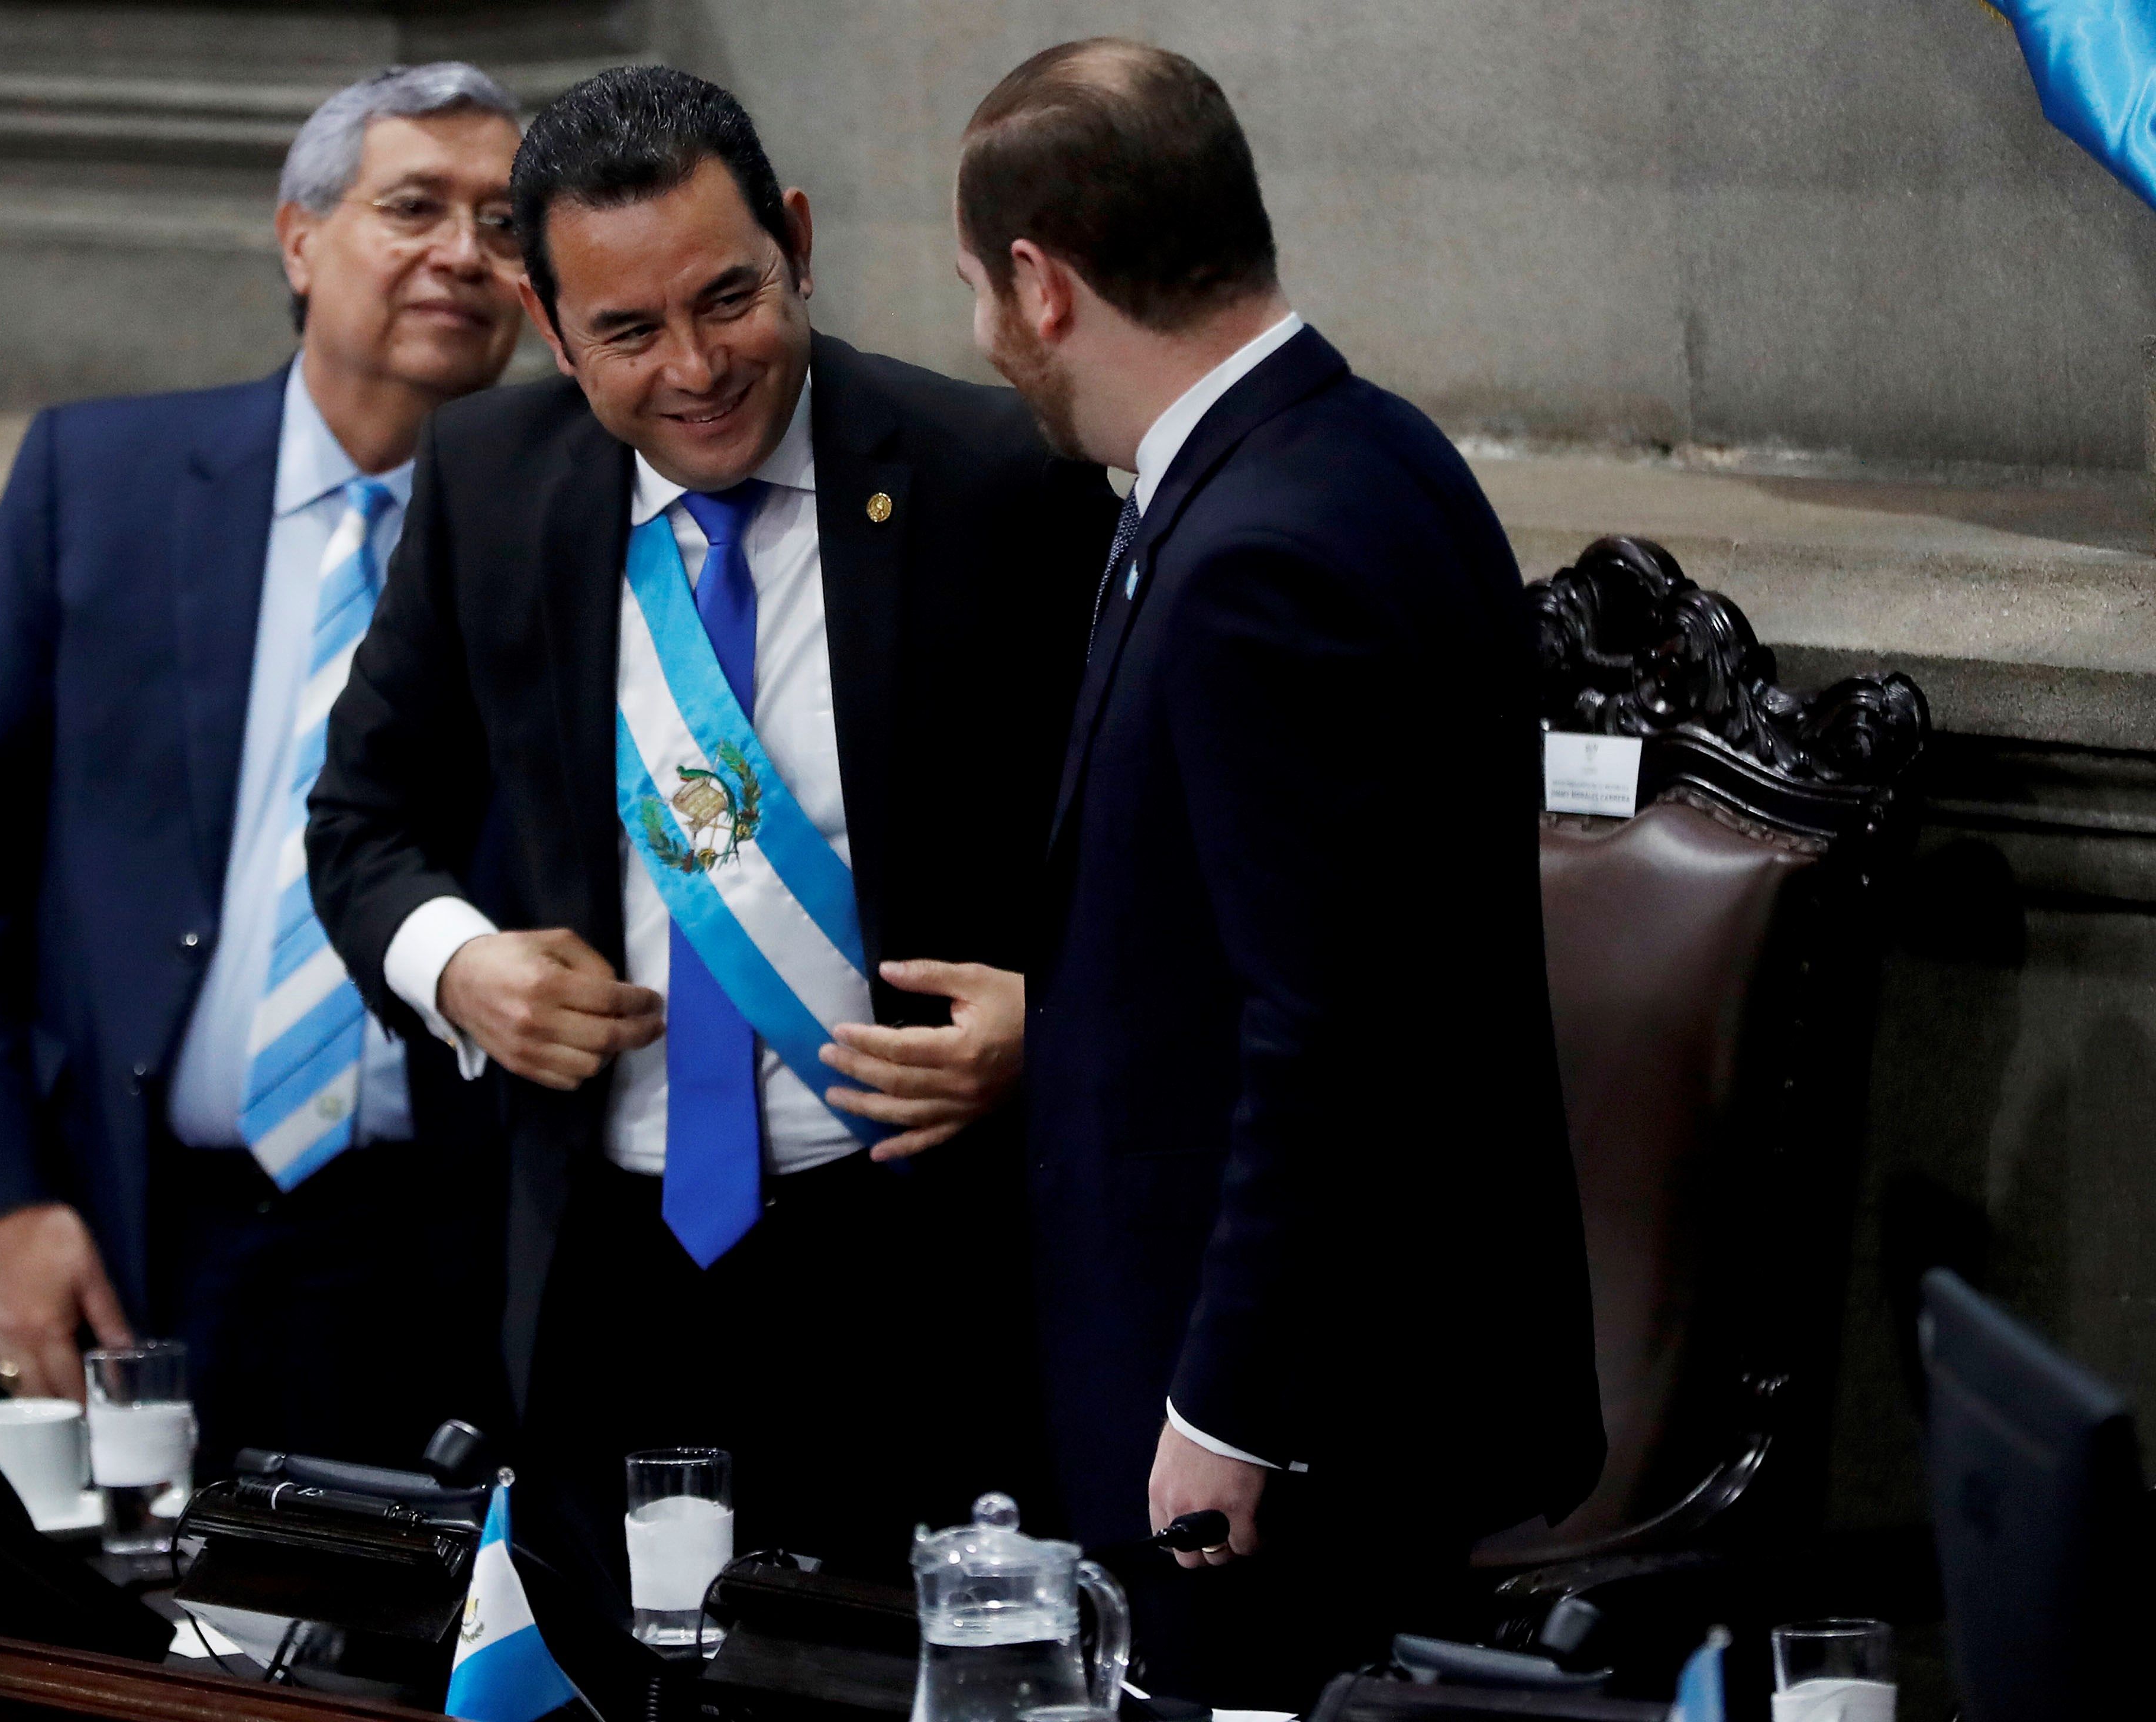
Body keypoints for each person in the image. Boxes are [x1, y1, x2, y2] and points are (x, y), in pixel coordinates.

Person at [306, 65, 1117, 1590]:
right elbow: (361, 818)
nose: (695, 368)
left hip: (919, 1272)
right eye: (627, 331)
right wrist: (460, 966)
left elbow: (1162, 862)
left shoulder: (1000, 479)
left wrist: (1058, 1027)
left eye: (728, 297)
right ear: (548, 326)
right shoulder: (491, 482)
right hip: (605, 1271)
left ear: (796, 242)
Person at [953, 40, 1607, 1702]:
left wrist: (1225, 1412)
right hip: (1316, 1383)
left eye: (978, 292)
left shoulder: (1257, 555)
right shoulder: (1365, 450)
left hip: (1276, 1437)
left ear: (1041, 283)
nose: (984, 336)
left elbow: (1328, 1029)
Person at [0, 64, 528, 1472]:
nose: (464, 253)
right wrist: (3, 1200)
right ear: (299, 239)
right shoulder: (100, 481)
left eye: (504, 222)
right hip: (127, 1223)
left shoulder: (569, 523)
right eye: (415, 206)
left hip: (435, 1242)